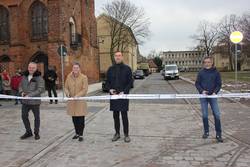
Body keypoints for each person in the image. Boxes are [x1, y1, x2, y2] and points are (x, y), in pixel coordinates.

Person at [106, 51, 133, 143]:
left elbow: (130, 83)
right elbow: (107, 82)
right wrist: (110, 89)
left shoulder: (127, 69)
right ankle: (117, 133)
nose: (117, 57)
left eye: (119, 56)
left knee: (124, 116)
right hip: (114, 96)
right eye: (116, 56)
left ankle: (126, 134)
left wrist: (124, 92)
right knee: (115, 116)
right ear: (114, 57)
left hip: (123, 96)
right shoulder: (110, 69)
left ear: (122, 57)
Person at [195, 56, 223, 143]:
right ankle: (206, 132)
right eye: (205, 62)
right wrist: (202, 91)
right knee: (204, 115)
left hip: (213, 96)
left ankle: (218, 134)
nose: (207, 63)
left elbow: (219, 84)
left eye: (208, 62)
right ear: (203, 63)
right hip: (203, 96)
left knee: (217, 114)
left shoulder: (216, 72)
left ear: (212, 63)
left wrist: (215, 92)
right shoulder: (201, 72)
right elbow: (197, 83)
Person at [19, 62, 45, 140]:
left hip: (35, 102)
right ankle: (28, 132)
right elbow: (20, 85)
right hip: (25, 102)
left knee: (36, 117)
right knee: (24, 116)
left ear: (36, 68)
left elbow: (41, 89)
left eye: (33, 68)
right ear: (28, 67)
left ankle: (36, 133)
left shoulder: (39, 78)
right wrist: (21, 92)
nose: (31, 69)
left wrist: (30, 95)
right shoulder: (24, 76)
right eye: (30, 67)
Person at [65, 62, 88, 142]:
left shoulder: (84, 77)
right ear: (72, 68)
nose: (75, 69)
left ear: (79, 69)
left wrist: (77, 95)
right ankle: (76, 133)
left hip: (80, 101)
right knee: (74, 118)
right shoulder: (69, 76)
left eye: (77, 68)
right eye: (74, 68)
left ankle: (81, 134)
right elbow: (66, 87)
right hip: (72, 102)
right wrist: (67, 93)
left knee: (81, 119)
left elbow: (85, 89)